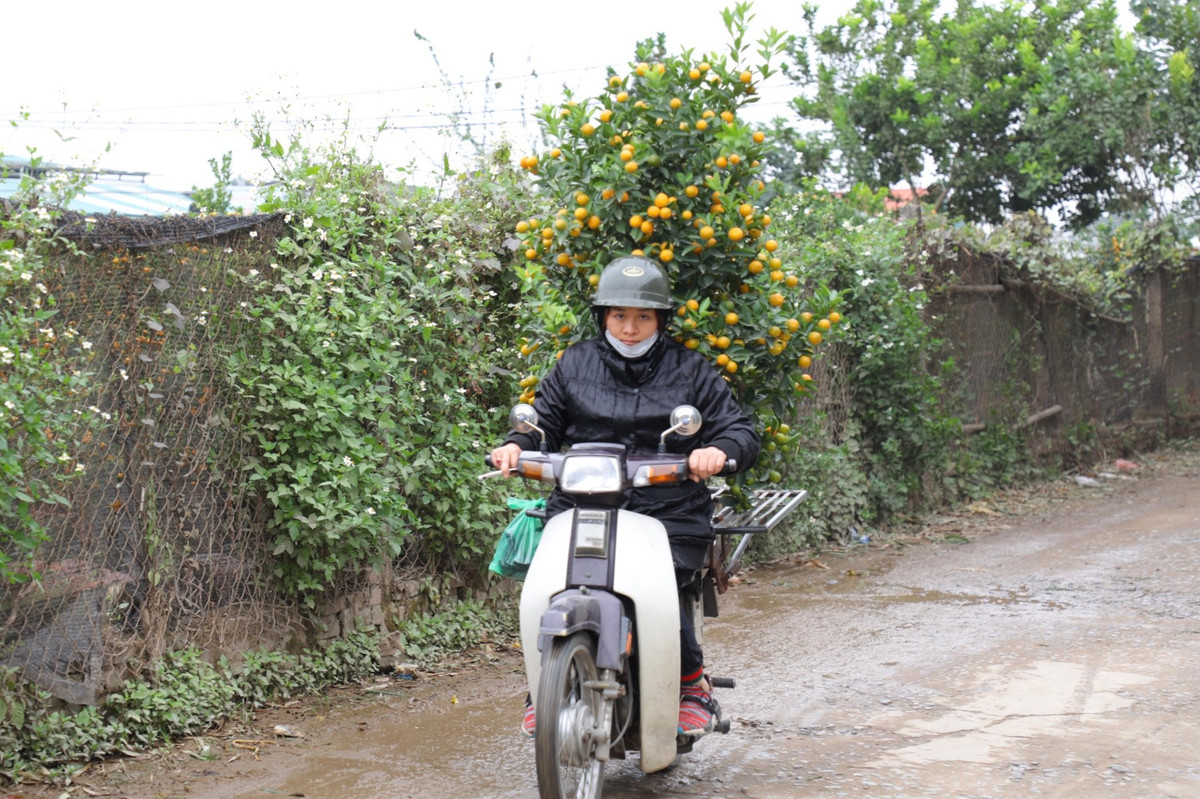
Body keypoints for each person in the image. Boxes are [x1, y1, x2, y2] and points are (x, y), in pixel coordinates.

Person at [490, 255, 760, 739]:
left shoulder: (692, 369)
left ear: (660, 319)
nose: (630, 328)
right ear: (603, 318)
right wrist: (517, 445)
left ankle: (692, 685)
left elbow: (738, 429)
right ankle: (544, 684)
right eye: (619, 316)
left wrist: (716, 450)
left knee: (664, 593)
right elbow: (542, 421)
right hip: (583, 503)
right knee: (552, 585)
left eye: (643, 317)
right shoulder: (574, 363)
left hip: (668, 508)